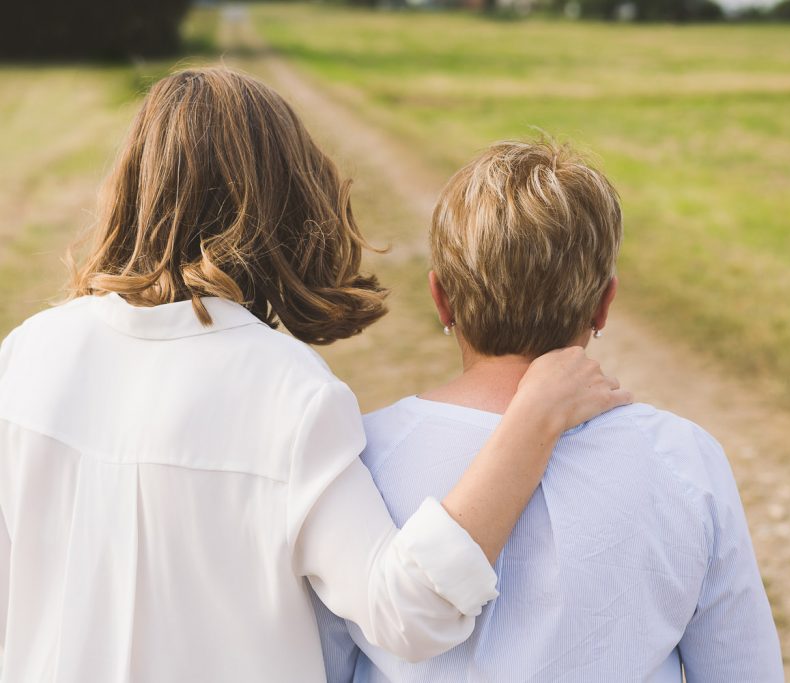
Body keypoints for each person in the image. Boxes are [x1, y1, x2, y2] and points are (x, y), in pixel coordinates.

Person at [0, 70, 630, 683]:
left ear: (131, 187)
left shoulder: (27, 355)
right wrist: (533, 418)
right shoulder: (287, 393)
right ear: (285, 201)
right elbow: (409, 612)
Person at [313, 140, 785, 682]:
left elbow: (320, 665)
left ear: (441, 299)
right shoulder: (684, 461)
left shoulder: (363, 457)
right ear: (604, 304)